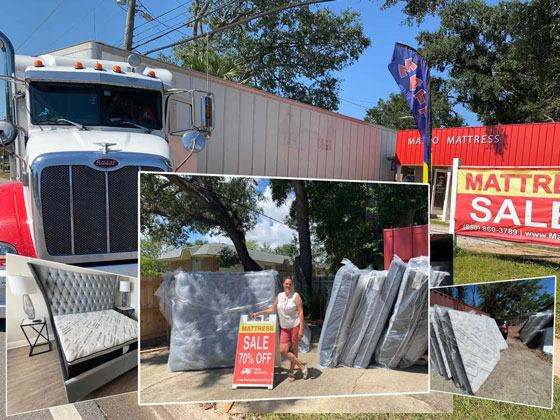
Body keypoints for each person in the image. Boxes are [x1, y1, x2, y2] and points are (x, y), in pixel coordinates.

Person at [251, 278, 308, 382]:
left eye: (290, 284)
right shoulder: (279, 296)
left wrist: (301, 329)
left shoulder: (296, 296)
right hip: (285, 328)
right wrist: (258, 313)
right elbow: (272, 309)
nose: (288, 286)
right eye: (286, 284)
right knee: (283, 350)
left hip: (295, 325)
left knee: (294, 350)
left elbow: (300, 312)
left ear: (292, 286)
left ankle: (291, 372)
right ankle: (301, 365)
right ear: (283, 285)